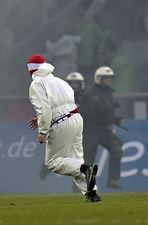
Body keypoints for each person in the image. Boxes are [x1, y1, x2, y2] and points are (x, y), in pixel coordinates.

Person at [26, 54, 101, 202]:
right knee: (75, 160)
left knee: (52, 162)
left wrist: (42, 130)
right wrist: (42, 118)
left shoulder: (36, 84)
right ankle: (92, 193)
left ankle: (87, 169)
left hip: (61, 123)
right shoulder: (59, 81)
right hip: (76, 118)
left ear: (31, 70)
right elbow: (63, 105)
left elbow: (44, 109)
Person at [81, 66, 123, 190]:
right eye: (106, 79)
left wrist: (114, 119)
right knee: (89, 159)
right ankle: (84, 185)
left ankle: (112, 179)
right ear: (98, 79)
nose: (109, 81)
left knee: (117, 150)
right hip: (90, 130)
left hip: (103, 129)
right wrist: (111, 107)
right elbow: (94, 112)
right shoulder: (91, 92)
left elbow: (104, 113)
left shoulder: (109, 92)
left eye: (110, 79)